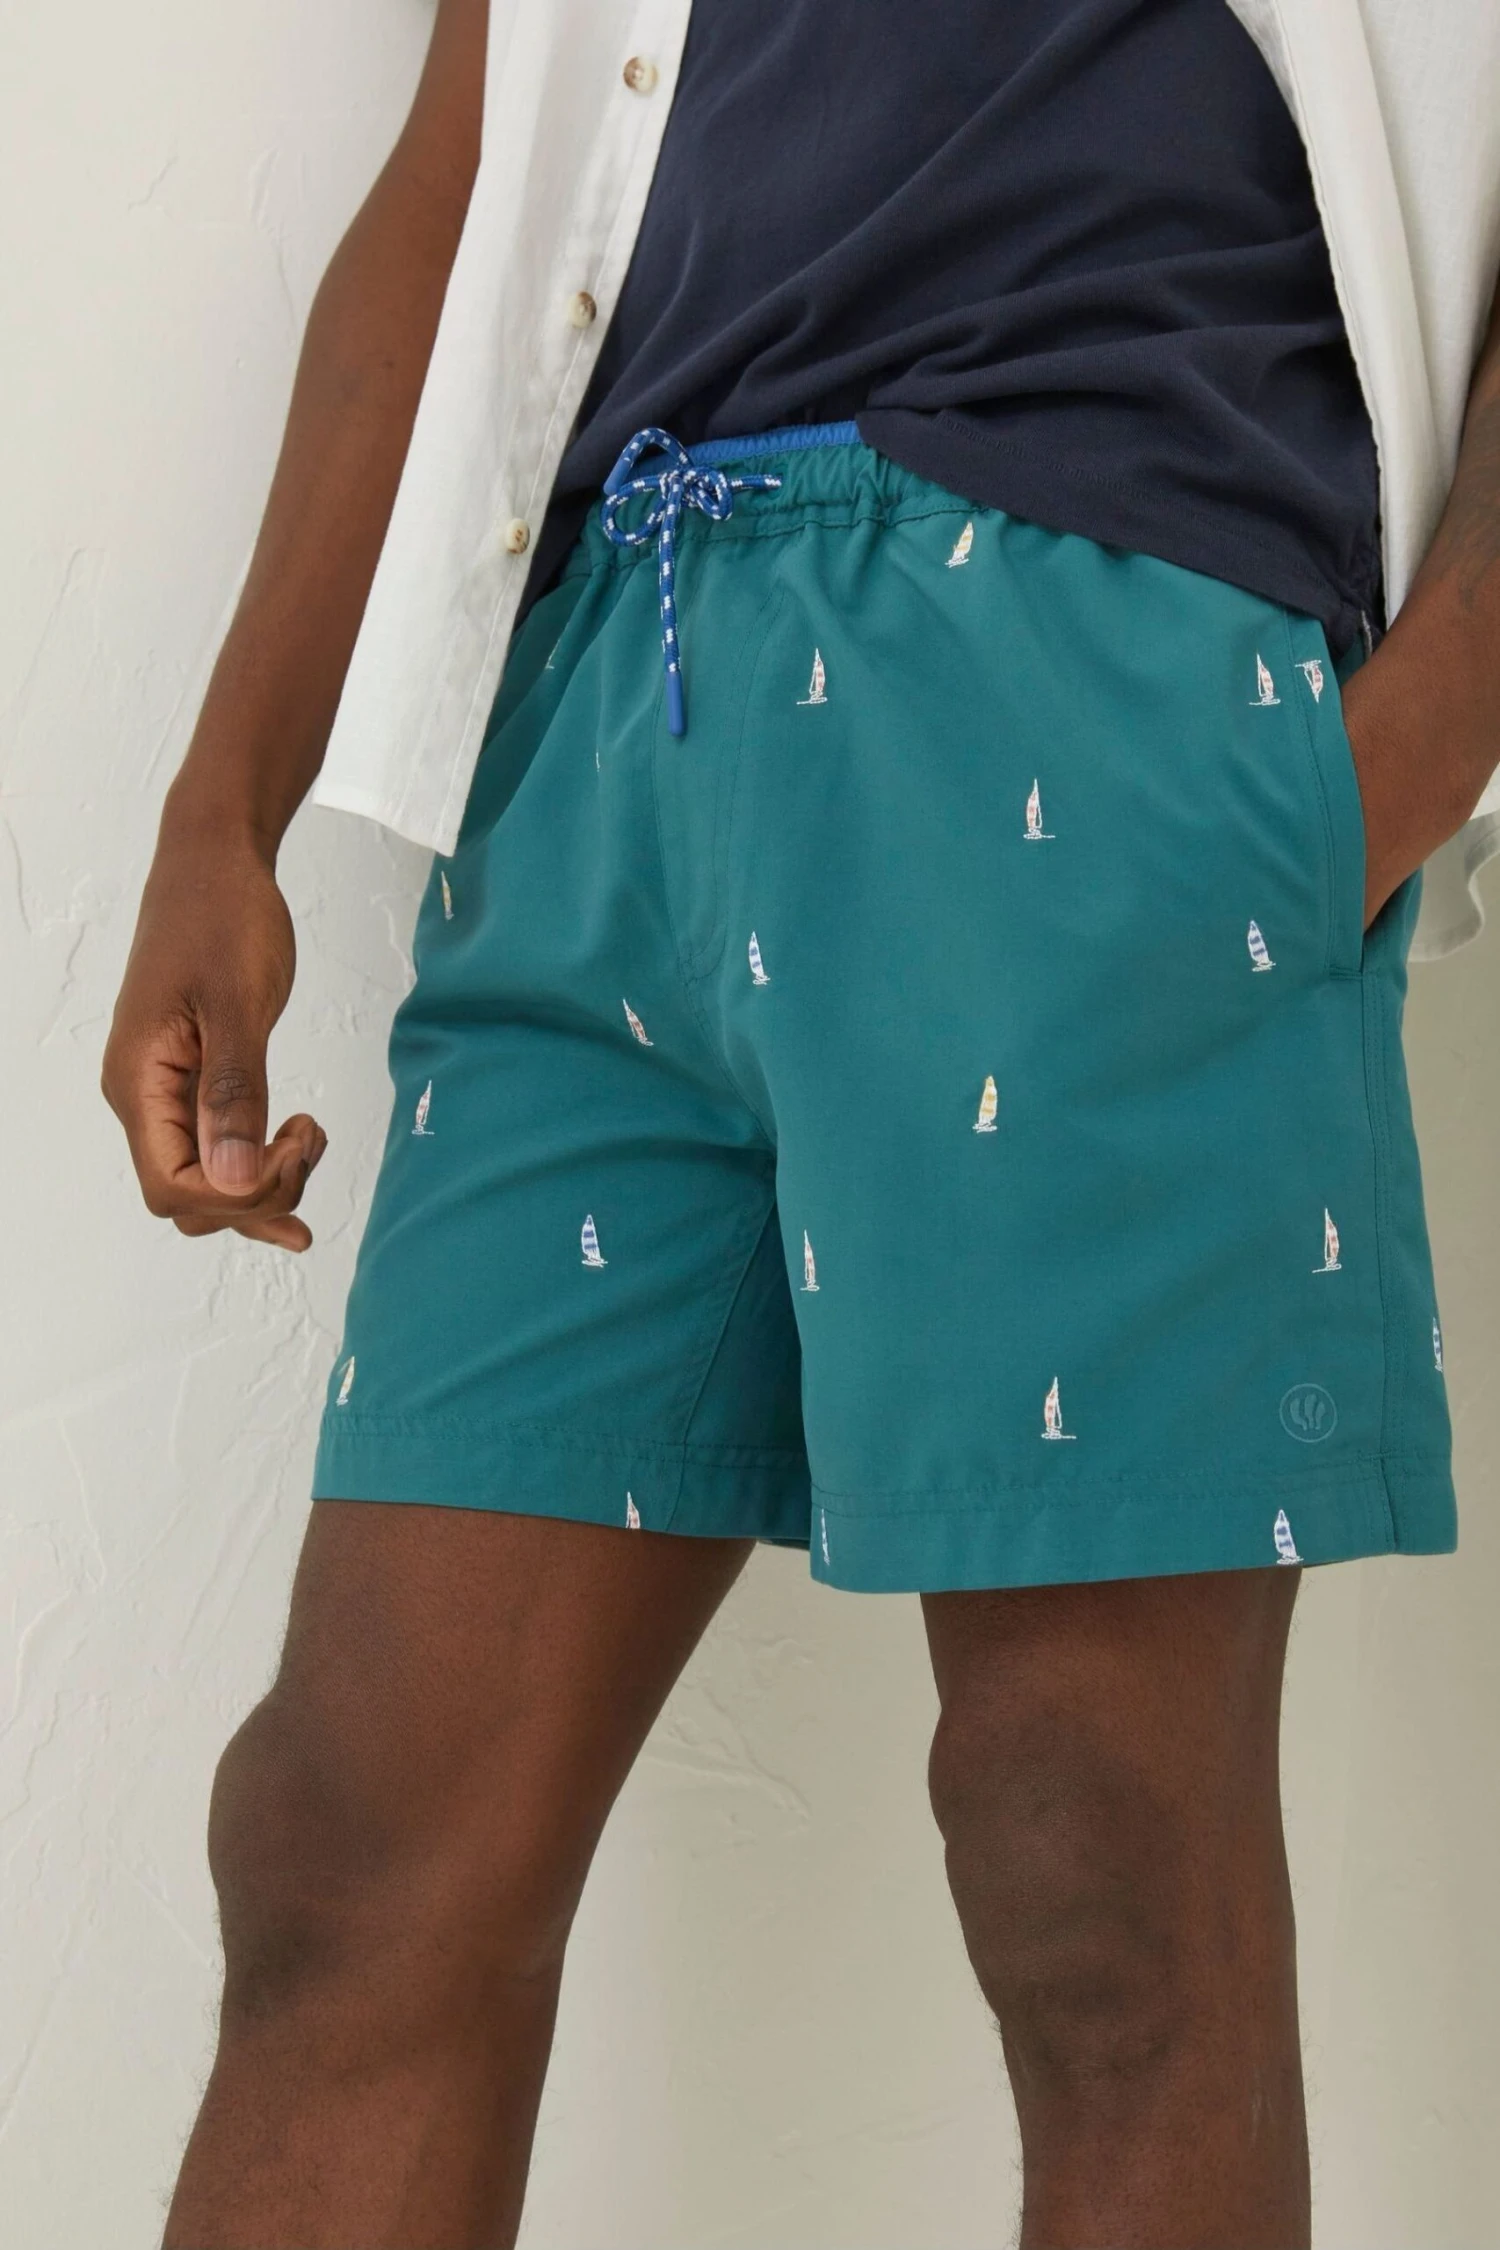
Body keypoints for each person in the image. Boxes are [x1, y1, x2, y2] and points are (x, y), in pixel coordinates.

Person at [102, 2, 1500, 2243]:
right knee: (348, 1845)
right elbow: (463, 162)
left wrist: (1401, 752)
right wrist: (220, 802)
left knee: (1095, 1869)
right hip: (606, 696)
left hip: (1094, 661)